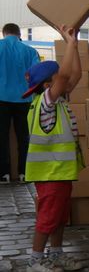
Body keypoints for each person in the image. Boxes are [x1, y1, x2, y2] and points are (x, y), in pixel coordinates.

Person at [24, 25, 83, 272]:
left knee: (59, 215)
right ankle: (35, 260)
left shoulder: (56, 102)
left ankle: (56, 253)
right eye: (59, 79)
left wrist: (75, 44)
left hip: (59, 173)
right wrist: (67, 44)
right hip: (50, 174)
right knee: (48, 217)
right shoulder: (46, 103)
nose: (66, 81)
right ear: (48, 84)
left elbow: (75, 75)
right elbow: (65, 76)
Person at [0, 23, 40, 183]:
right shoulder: (30, 51)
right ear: (19, 34)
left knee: (2, 137)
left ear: (4, 34)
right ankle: (24, 172)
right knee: (24, 137)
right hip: (24, 99)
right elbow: (37, 75)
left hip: (1, 99)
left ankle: (4, 174)